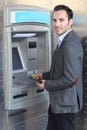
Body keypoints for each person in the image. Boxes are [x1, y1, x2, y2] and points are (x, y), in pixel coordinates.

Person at [33, 5, 83, 130]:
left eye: (61, 20)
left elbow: (70, 79)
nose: (57, 24)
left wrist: (46, 84)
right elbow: (60, 70)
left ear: (70, 22)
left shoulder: (69, 44)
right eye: (54, 20)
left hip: (65, 105)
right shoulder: (64, 40)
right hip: (58, 103)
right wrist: (44, 76)